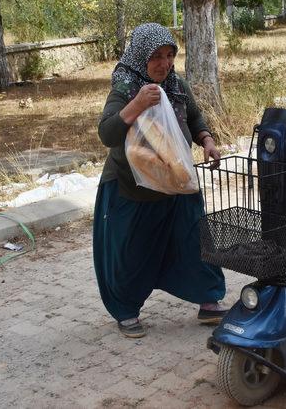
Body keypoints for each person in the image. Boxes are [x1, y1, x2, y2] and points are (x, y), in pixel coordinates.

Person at [93, 23, 227, 338]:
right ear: (140, 56)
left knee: (195, 238)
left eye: (169, 55)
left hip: (177, 181)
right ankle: (126, 311)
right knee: (133, 251)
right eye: (156, 56)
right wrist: (137, 104)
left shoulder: (176, 84)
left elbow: (194, 117)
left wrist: (206, 140)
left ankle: (208, 300)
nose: (164, 63)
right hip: (135, 188)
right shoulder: (125, 88)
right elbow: (107, 133)